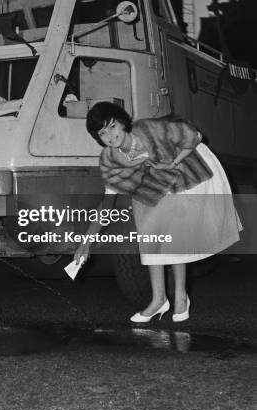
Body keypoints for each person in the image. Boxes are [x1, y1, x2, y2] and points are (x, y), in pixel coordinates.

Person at [74, 102, 242, 323]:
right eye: (103, 132)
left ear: (123, 123)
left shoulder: (149, 129)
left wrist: (172, 163)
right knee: (150, 228)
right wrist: (86, 242)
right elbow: (107, 203)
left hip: (188, 168)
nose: (110, 135)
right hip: (157, 183)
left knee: (173, 230)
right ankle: (159, 299)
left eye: (112, 126)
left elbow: (195, 137)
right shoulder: (109, 159)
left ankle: (180, 297)